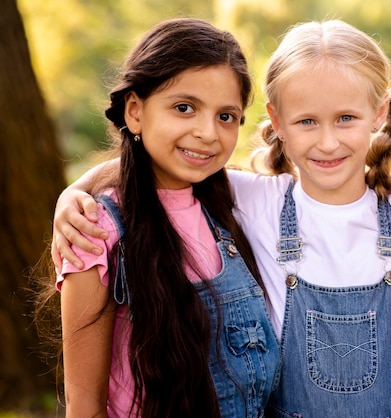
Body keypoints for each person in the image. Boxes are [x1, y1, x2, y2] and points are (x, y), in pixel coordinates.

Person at [51, 20, 391, 417]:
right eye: (307, 121)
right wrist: (73, 193)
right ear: (276, 121)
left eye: (346, 118)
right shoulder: (253, 201)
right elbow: (159, 171)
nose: (329, 141)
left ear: (379, 114)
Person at [38, 18, 284, 417]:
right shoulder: (95, 230)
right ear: (135, 111)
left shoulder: (234, 204)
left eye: (226, 116)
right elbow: (84, 408)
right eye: (184, 108)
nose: (208, 132)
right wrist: (74, 194)